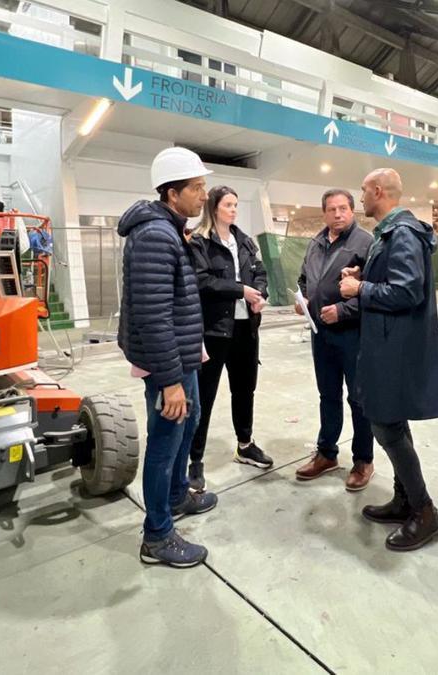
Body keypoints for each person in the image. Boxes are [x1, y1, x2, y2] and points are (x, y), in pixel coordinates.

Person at [117, 147, 219, 568]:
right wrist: (170, 380)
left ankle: (177, 497)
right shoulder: (157, 236)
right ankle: (157, 535)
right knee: (165, 440)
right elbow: (154, 312)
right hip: (167, 363)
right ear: (172, 193)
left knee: (186, 425)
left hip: (180, 355)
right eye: (196, 188)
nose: (203, 195)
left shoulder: (170, 230)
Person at [338, 168, 438, 551]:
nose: (361, 198)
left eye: (363, 191)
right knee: (393, 422)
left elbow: (406, 290)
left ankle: (425, 513)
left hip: (394, 348)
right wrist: (365, 271)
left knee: (386, 425)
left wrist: (359, 287)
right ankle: (404, 501)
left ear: (378, 191)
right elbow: (395, 277)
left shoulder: (401, 233)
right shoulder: (392, 232)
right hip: (388, 344)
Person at [186, 186, 273, 490]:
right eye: (228, 205)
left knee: (244, 389)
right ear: (213, 208)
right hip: (213, 331)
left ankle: (245, 445)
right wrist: (240, 290)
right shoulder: (200, 241)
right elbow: (202, 280)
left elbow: (259, 273)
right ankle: (195, 461)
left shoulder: (244, 241)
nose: (233, 210)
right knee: (204, 398)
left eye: (236, 204)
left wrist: (259, 294)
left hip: (245, 329)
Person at [294, 188, 376, 491]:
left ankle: (363, 460)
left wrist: (343, 310)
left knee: (358, 399)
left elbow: (374, 289)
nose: (338, 214)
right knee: (327, 395)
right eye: (332, 209)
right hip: (321, 334)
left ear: (352, 211)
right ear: (324, 212)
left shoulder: (366, 243)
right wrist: (303, 299)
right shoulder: (315, 243)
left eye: (343, 208)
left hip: (352, 334)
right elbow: (304, 279)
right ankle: (327, 454)